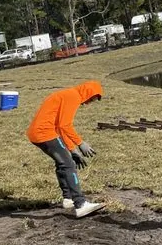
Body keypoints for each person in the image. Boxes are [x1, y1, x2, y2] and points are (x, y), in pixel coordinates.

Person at [26, 81, 106, 218]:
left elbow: (60, 126)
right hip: (45, 132)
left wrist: (72, 150)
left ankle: (68, 199)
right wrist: (80, 143)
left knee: (63, 162)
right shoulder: (73, 96)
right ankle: (80, 204)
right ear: (88, 92)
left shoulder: (69, 94)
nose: (89, 103)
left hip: (39, 133)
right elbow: (65, 126)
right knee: (68, 165)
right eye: (92, 99)